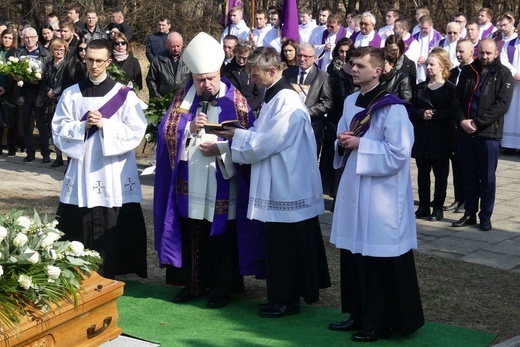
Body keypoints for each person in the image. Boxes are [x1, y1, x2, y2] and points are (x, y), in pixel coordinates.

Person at [213, 46, 330, 318]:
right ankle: (281, 297)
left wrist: (236, 137)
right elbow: (262, 134)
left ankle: (286, 300)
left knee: (285, 248)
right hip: (280, 180)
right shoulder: (273, 97)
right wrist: (243, 132)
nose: (252, 80)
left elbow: (267, 142)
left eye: (255, 74)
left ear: (273, 70)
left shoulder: (287, 102)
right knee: (279, 246)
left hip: (287, 185)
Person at [154, 32, 261, 309]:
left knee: (222, 237)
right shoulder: (183, 100)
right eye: (200, 79)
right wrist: (187, 128)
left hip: (222, 179)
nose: (206, 84)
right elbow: (165, 132)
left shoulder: (235, 101)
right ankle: (192, 284)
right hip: (190, 182)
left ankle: (221, 289)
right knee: (193, 233)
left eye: (211, 78)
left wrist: (222, 150)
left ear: (218, 73)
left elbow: (249, 140)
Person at [328, 46, 424, 342]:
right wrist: (342, 142)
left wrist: (360, 145)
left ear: (378, 71)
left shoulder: (392, 107)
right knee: (354, 253)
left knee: (377, 259)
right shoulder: (350, 100)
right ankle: (357, 313)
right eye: (352, 64)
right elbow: (345, 134)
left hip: (382, 195)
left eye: (359, 65)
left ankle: (379, 322)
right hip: (354, 187)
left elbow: (399, 153)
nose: (353, 69)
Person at [52, 39, 148, 279]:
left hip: (112, 168)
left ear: (108, 61)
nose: (94, 65)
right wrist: (82, 126)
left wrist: (105, 124)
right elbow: (59, 128)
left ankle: (112, 268)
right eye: (90, 60)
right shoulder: (71, 93)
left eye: (99, 60)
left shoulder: (123, 95)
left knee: (111, 215)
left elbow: (136, 130)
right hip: (83, 165)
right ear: (84, 59)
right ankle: (78, 267)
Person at [451, 38, 513, 231]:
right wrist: (462, 121)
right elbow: (456, 99)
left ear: (496, 53)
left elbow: (502, 105)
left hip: (488, 134)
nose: (484, 57)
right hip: (466, 132)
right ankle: (469, 213)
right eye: (482, 53)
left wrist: (477, 123)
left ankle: (485, 216)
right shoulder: (469, 71)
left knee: (487, 178)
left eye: (489, 53)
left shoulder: (503, 74)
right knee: (468, 175)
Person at [410, 48, 456, 221]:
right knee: (422, 173)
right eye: (427, 64)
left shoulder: (450, 89)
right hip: (423, 136)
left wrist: (435, 114)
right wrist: (422, 113)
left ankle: (437, 207)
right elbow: (411, 110)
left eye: (432, 64)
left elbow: (454, 114)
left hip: (441, 137)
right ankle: (423, 206)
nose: (428, 67)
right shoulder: (420, 88)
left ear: (442, 66)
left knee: (440, 174)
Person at [283, 42, 333, 157]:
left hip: (311, 126)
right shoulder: (287, 73)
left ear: (314, 58)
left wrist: (305, 112)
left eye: (306, 56)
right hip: (288, 126)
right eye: (299, 55)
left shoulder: (323, 77)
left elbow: (327, 103)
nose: (302, 59)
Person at [445, 39, 474, 213]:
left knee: (467, 166)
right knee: (455, 163)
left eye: (462, 51)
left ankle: (468, 200)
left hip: (468, 123)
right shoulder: (454, 72)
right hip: (453, 123)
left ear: (471, 52)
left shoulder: (474, 72)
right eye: (457, 51)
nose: (458, 54)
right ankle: (458, 198)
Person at [14, 27, 50, 163]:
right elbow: (13, 71)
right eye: (26, 38)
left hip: (39, 92)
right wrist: (16, 76)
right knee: (26, 124)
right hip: (23, 93)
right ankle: (30, 152)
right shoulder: (18, 52)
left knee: (41, 124)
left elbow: (47, 74)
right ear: (23, 39)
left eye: (32, 37)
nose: (29, 40)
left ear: (36, 38)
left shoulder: (45, 53)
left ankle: (45, 153)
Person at [38, 38, 69, 167]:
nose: (59, 52)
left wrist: (55, 91)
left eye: (61, 49)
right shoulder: (49, 64)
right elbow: (43, 81)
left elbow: (67, 82)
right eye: (56, 49)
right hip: (49, 101)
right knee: (53, 129)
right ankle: (58, 156)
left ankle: (69, 157)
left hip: (62, 100)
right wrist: (48, 90)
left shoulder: (67, 64)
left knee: (64, 129)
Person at [146, 32, 190, 98]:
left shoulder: (189, 58)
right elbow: (151, 80)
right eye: (173, 46)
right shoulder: (158, 59)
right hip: (164, 100)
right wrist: (159, 99)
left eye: (178, 46)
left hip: (184, 100)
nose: (176, 49)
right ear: (167, 44)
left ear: (182, 44)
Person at [221, 43, 263, 112]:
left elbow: (259, 96)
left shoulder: (254, 70)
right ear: (235, 54)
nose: (241, 61)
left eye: (244, 58)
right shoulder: (227, 70)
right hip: (231, 109)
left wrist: (247, 108)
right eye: (239, 57)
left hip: (250, 109)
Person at [500, 23, 520, 152]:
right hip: (513, 85)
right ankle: (509, 145)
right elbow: (503, 60)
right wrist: (513, 72)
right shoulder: (510, 44)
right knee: (511, 113)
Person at [0, 28, 18, 157]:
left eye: (10, 38)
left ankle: (12, 148)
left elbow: (15, 73)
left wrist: (5, 86)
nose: (7, 40)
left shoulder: (15, 53)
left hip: (10, 91)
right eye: (5, 37)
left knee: (11, 121)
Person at [414, 15, 442, 83]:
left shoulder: (439, 38)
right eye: (421, 28)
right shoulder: (414, 37)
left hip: (430, 68)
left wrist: (426, 59)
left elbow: (439, 55)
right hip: (417, 67)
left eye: (425, 28)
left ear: (431, 25)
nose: (422, 30)